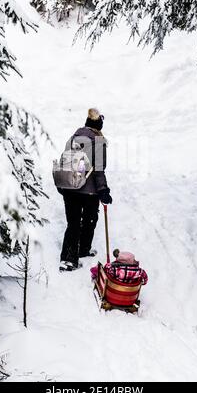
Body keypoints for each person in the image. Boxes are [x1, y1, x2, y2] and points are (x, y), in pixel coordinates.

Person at [59, 108, 112, 272]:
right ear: (99, 126)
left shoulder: (73, 137)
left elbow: (64, 161)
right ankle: (83, 249)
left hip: (69, 187)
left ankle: (68, 259)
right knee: (89, 220)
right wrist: (103, 190)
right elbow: (99, 170)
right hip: (89, 191)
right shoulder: (98, 140)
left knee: (73, 223)